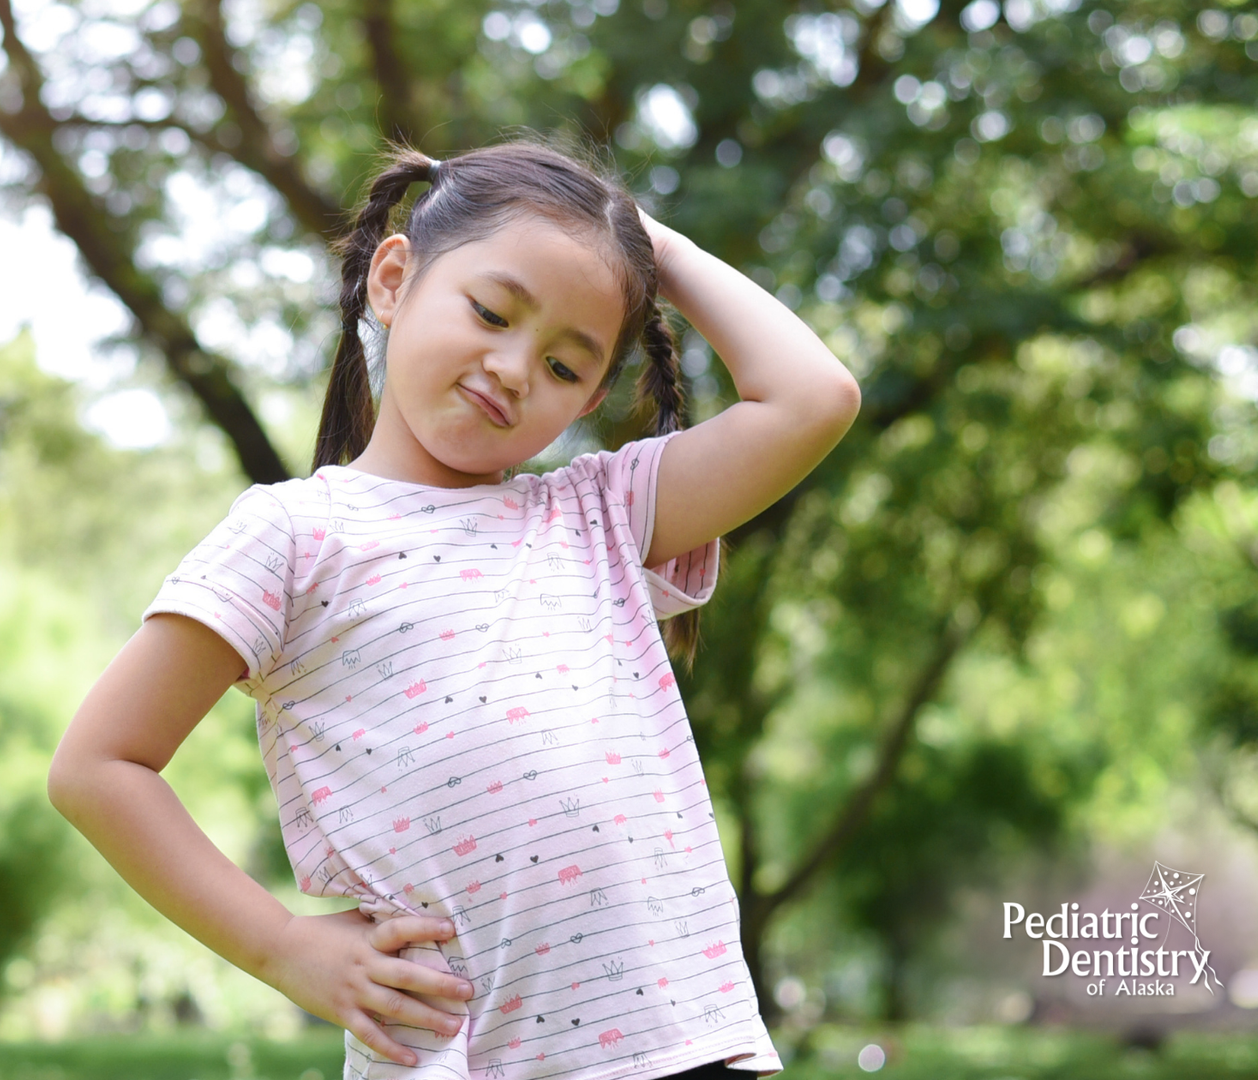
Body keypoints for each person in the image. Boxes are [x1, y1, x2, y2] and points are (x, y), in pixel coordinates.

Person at [47, 135, 861, 1080]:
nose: (516, 368)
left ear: (592, 399)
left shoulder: (598, 514)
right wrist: (282, 946)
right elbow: (98, 766)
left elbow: (815, 397)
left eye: (565, 367)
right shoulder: (298, 534)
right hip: (459, 1056)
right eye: (490, 311)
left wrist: (645, 245)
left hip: (687, 1050)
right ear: (393, 281)